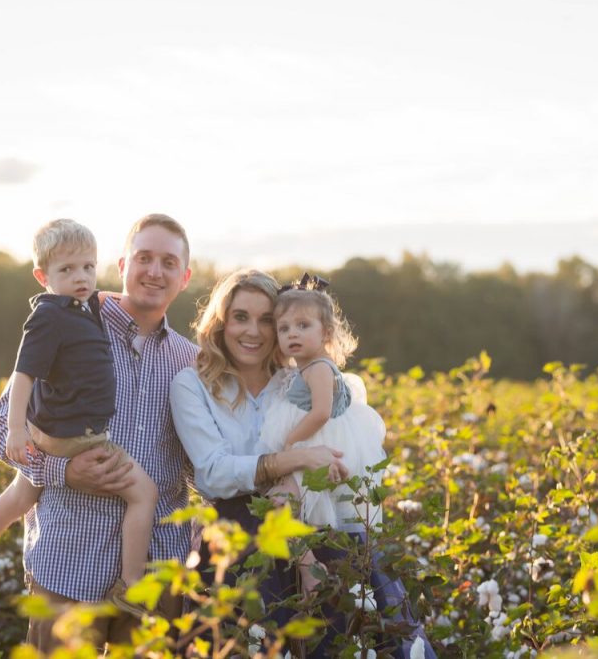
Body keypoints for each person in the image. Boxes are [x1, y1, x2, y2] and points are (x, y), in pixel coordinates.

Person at [170, 269, 435, 659]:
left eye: (266, 321)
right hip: (241, 533)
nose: (254, 332)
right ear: (221, 321)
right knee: (253, 640)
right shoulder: (193, 385)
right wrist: (294, 458)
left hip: (316, 523)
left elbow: (339, 444)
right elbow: (214, 473)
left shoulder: (296, 379)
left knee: (353, 634)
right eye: (241, 317)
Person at [0, 214, 196, 651]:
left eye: (168, 262)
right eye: (144, 258)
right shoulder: (72, 328)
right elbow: (2, 426)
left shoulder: (191, 361)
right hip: (67, 561)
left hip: (154, 571)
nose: (155, 271)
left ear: (185, 277)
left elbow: (203, 461)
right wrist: (63, 470)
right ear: (121, 265)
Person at [0, 219, 157, 617]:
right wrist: (17, 429)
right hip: (78, 436)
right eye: (67, 270)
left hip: (58, 430)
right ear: (42, 276)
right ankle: (132, 586)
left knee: (20, 496)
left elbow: (99, 296)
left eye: (88, 268)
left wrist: (101, 292)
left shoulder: (80, 305)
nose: (81, 278)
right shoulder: (49, 317)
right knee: (144, 494)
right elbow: (24, 374)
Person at [258, 277, 389, 595]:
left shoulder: (318, 367)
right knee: (287, 503)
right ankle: (309, 568)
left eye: (303, 325)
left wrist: (289, 444)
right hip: (316, 441)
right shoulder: (301, 369)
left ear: (326, 332)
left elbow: (320, 413)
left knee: (282, 501)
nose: (292, 334)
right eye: (284, 328)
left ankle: (309, 568)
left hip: (319, 440)